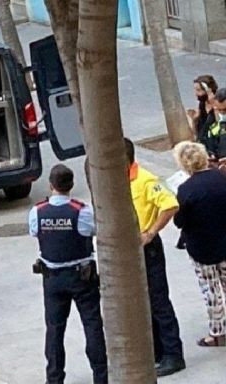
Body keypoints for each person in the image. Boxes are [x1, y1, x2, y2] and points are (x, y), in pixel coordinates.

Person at [29, 164, 107, 384]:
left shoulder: (38, 211)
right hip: (81, 277)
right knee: (92, 325)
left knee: (54, 330)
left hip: (52, 278)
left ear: (51, 185)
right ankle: (101, 376)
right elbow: (93, 230)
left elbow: (34, 232)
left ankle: (54, 379)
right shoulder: (81, 210)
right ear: (71, 185)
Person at [124, 138, 186, 376]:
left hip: (147, 248)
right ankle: (157, 351)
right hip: (129, 249)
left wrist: (151, 232)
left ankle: (172, 354)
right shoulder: (120, 180)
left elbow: (170, 205)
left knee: (158, 301)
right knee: (144, 303)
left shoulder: (145, 180)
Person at [172, 141, 226, 347]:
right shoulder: (221, 178)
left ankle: (217, 332)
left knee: (211, 290)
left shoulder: (186, 190)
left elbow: (179, 221)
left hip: (201, 246)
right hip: (224, 239)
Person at [188, 75, 217, 146]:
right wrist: (194, 120)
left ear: (208, 90)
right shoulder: (202, 104)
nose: (196, 93)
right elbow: (197, 133)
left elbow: (219, 127)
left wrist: (214, 106)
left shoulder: (220, 105)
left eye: (198, 90)